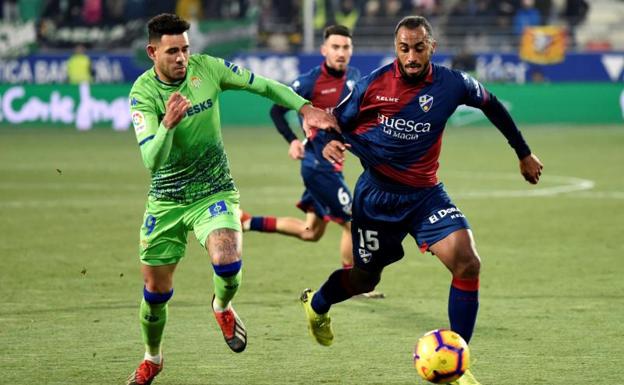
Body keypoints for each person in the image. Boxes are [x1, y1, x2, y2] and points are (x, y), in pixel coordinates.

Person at [300, 15, 543, 385]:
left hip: (426, 195)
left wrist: (522, 152)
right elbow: (331, 122)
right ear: (395, 48)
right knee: (364, 279)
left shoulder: (453, 83)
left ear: (432, 46)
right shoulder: (373, 85)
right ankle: (317, 304)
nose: (411, 56)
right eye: (403, 48)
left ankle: (458, 364)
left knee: (468, 262)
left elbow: (491, 104)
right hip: (377, 199)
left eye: (418, 47)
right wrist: (327, 142)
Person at [126, 13, 336, 385]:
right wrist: (168, 125)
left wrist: (304, 107)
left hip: (214, 189)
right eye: (172, 51)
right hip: (167, 200)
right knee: (156, 293)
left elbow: (263, 86)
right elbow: (151, 161)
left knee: (227, 259)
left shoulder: (207, 69)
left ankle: (221, 305)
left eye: (186, 49)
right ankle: (152, 358)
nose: (181, 58)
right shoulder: (143, 94)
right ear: (152, 52)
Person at [242, 25, 383, 299]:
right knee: (352, 223)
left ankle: (248, 222)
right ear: (324, 50)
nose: (341, 53)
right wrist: (292, 141)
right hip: (318, 167)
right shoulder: (308, 82)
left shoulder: (355, 78)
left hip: (331, 165)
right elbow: (276, 111)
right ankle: (353, 283)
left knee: (311, 231)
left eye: (345, 47)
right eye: (336, 47)